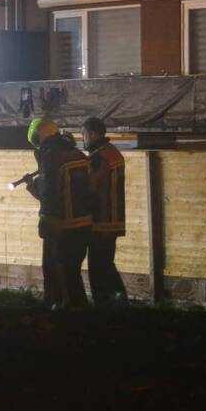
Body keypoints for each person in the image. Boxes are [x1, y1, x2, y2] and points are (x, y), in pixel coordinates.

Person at [26, 117, 92, 308]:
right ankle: (80, 309)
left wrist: (45, 223)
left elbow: (49, 195)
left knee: (55, 270)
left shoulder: (50, 157)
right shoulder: (78, 154)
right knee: (72, 272)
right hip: (84, 224)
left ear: (39, 137)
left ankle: (59, 309)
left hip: (61, 226)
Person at [82, 117, 129, 307]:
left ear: (92, 134)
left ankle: (105, 303)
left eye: (84, 135)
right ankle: (118, 300)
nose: (83, 139)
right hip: (114, 219)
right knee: (106, 263)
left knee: (98, 266)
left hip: (101, 220)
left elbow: (90, 186)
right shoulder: (113, 152)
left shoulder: (98, 158)